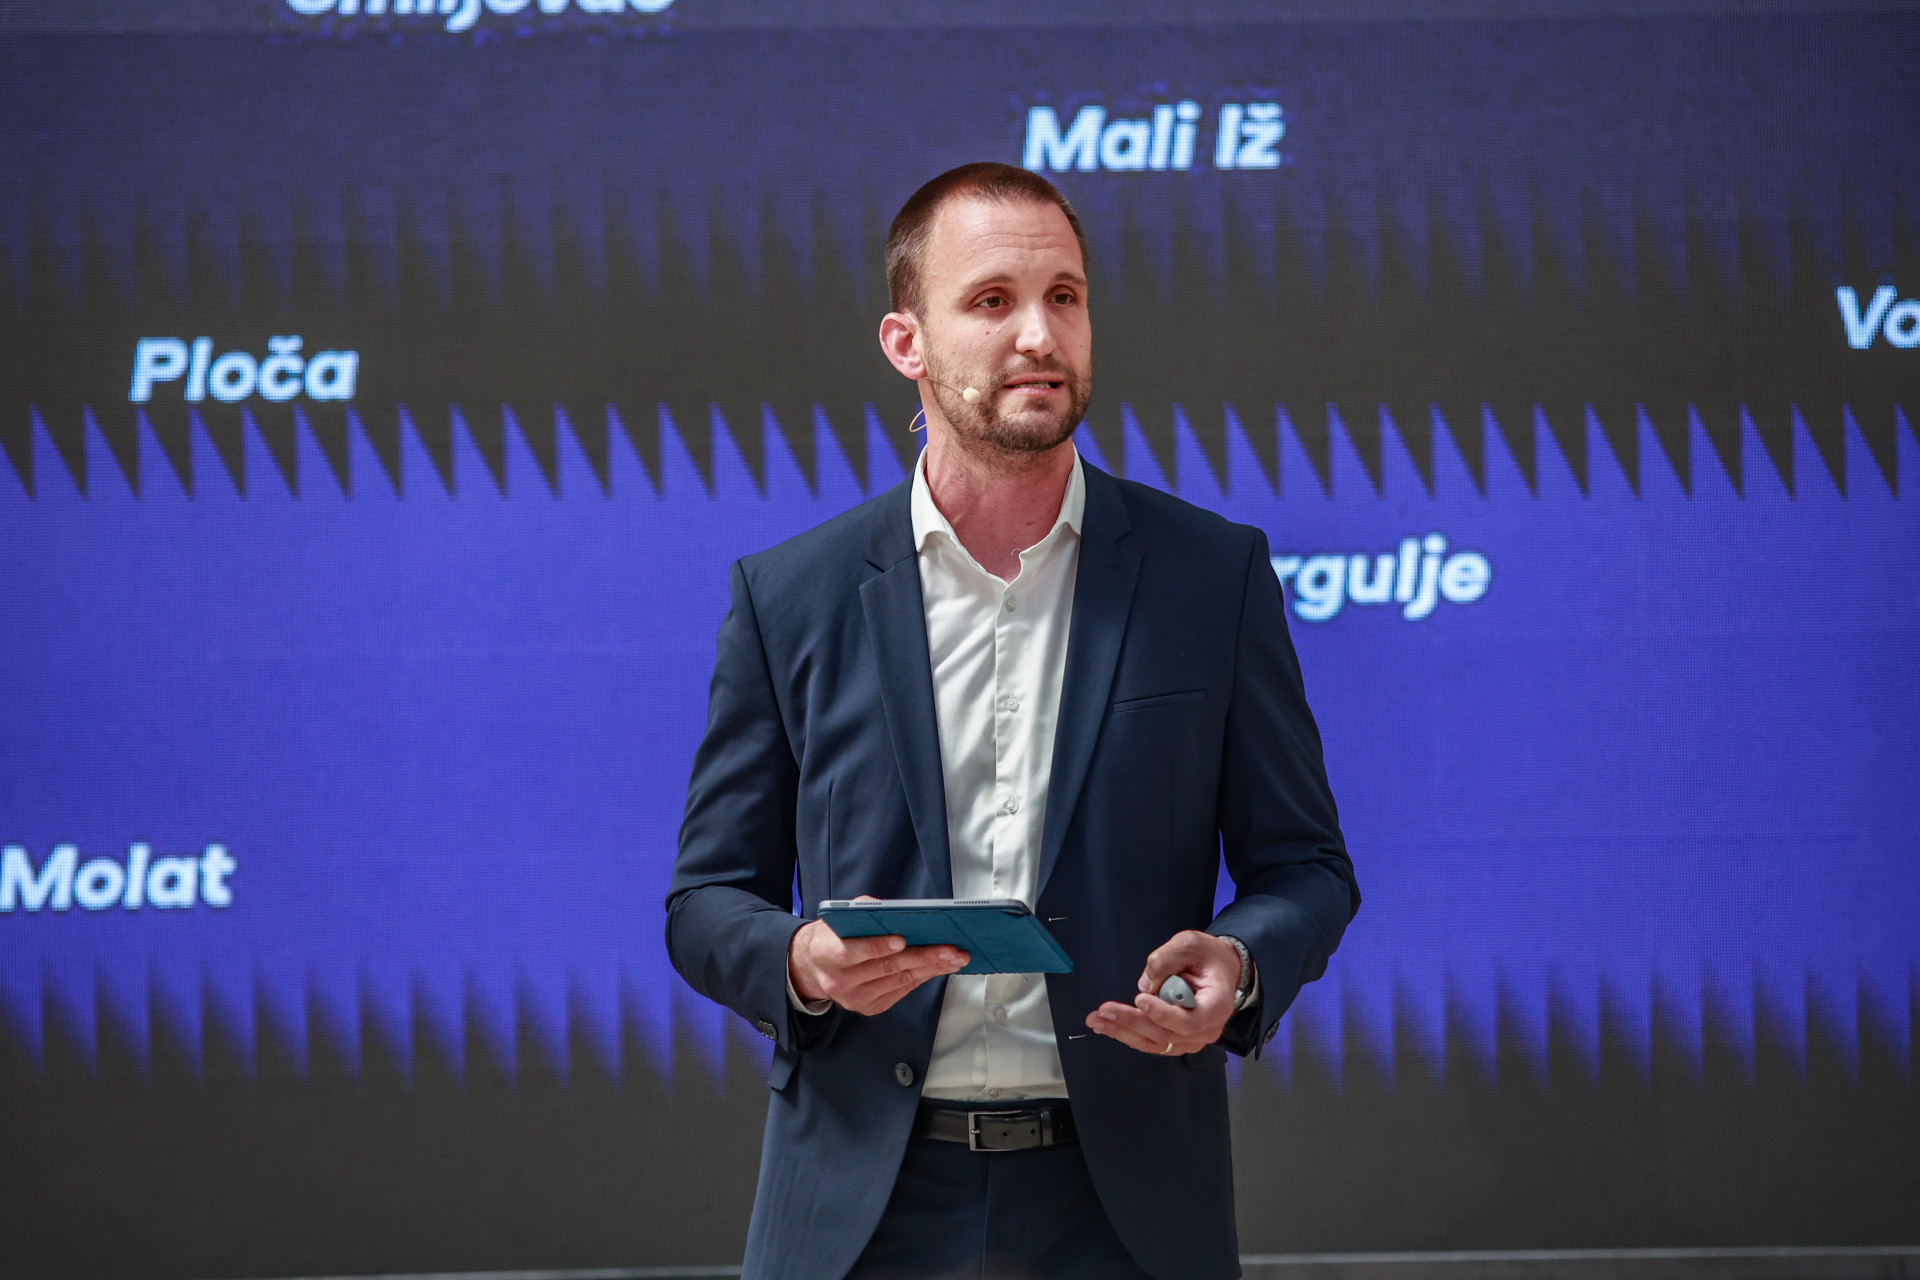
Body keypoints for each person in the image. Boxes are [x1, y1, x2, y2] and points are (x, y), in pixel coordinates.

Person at [666, 162, 1358, 1280]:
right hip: (861, 1207)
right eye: (992, 300)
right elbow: (704, 901)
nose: (1040, 334)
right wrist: (800, 960)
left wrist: (1240, 960)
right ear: (906, 341)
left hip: (1124, 1207)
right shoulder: (789, 595)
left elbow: (1308, 868)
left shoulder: (1209, 576)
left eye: (1065, 297)